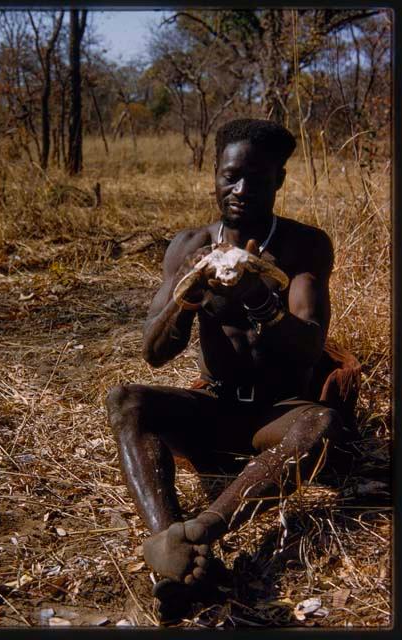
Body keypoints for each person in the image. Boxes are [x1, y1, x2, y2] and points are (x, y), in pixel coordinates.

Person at [106, 119, 360, 614]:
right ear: (215, 174)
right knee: (125, 400)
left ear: (278, 182)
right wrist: (187, 295)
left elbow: (308, 347)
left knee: (322, 423)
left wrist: (261, 301)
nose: (240, 190)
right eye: (230, 176)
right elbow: (153, 353)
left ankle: (201, 530)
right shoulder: (188, 245)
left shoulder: (303, 245)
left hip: (279, 411)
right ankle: (171, 548)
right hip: (216, 402)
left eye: (256, 179)